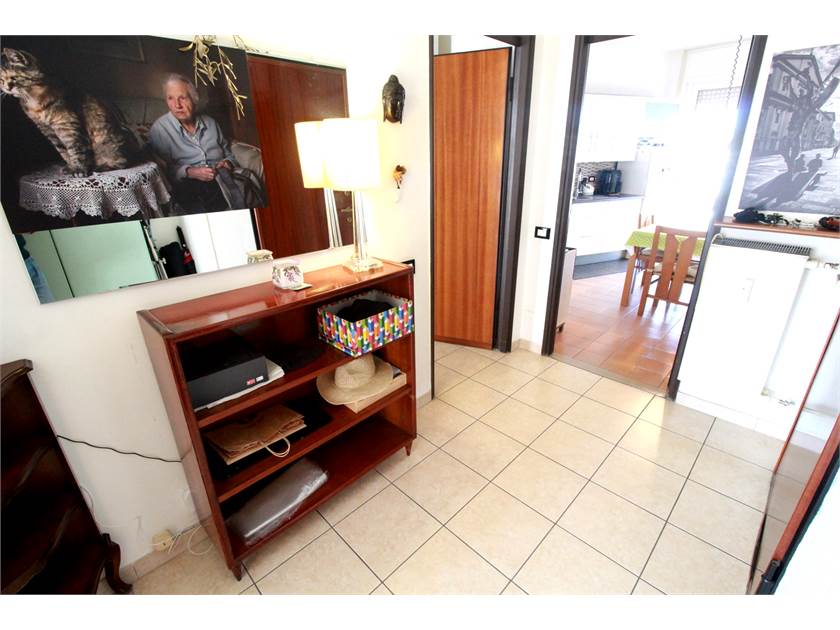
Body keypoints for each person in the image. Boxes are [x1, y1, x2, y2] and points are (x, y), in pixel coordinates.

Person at [148, 74, 262, 213]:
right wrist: (190, 172)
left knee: (247, 186)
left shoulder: (211, 123)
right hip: (189, 187)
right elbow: (161, 171)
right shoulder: (159, 129)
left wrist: (227, 163)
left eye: (182, 97)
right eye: (170, 98)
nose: (177, 105)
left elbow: (228, 154)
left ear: (194, 98)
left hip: (221, 178)